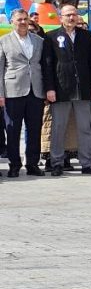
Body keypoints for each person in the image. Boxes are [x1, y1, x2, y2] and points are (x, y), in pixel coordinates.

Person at [41, 4, 91, 176]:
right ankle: (57, 162)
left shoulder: (86, 36)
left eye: (74, 15)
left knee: (85, 128)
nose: (71, 18)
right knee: (58, 127)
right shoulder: (51, 37)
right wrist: (49, 88)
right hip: (61, 89)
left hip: (83, 89)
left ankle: (87, 163)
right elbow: (48, 66)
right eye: (68, 15)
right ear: (60, 17)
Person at [0, 9, 46, 177]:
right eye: (19, 19)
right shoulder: (4, 41)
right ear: (12, 21)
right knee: (13, 129)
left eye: (25, 19)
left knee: (34, 129)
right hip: (13, 90)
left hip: (36, 90)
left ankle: (32, 164)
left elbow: (44, 66)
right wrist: (1, 94)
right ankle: (14, 164)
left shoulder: (39, 41)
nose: (23, 22)